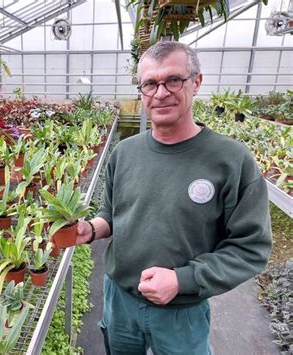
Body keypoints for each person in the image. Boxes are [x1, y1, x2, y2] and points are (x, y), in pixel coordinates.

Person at [75, 41, 272, 355]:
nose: (161, 92)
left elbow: (251, 246)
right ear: (142, 91)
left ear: (196, 82)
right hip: (119, 300)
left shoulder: (231, 160)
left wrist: (183, 280)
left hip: (182, 313)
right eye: (150, 84)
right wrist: (91, 229)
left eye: (173, 80)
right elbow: (111, 214)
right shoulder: (126, 152)